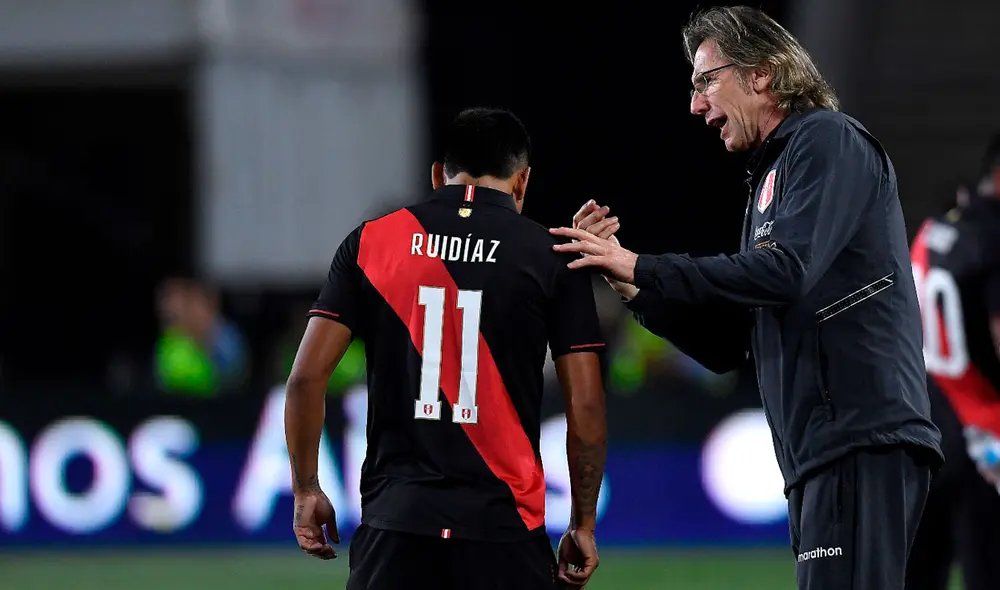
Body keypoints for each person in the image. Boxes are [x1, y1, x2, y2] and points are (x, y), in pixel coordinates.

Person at [550, 6, 943, 589]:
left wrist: (646, 264)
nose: (695, 105)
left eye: (706, 80)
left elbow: (786, 270)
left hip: (859, 438)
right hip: (818, 452)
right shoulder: (770, 178)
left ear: (761, 72)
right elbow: (733, 344)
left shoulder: (826, 139)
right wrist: (633, 285)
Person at [283, 107, 608, 590]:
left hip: (396, 523)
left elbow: (306, 379)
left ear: (438, 175)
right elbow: (584, 404)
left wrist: (306, 488)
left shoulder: (370, 242)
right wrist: (582, 523)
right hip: (504, 530)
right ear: (522, 182)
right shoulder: (553, 256)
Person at [906, 139, 1000, 590]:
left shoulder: (931, 232)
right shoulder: (992, 235)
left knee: (920, 574)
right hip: (983, 438)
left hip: (922, 430)